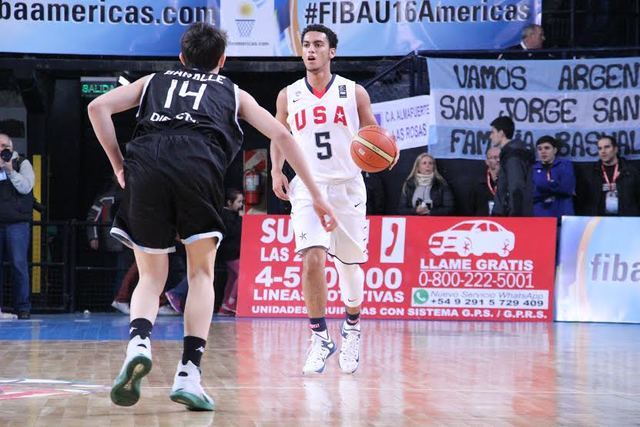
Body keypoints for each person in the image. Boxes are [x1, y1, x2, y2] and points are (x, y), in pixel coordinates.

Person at [88, 22, 336, 411]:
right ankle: (189, 373)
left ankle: (138, 342)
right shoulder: (232, 91)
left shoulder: (155, 79)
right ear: (222, 60)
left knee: (152, 276)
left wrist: (119, 165)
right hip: (198, 165)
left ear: (181, 57)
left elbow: (97, 106)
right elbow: (283, 136)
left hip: (147, 163)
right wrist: (317, 196)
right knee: (201, 273)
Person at [270, 24, 395, 375]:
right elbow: (280, 134)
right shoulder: (288, 95)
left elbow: (373, 133)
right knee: (312, 257)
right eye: (306, 45)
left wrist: (387, 152)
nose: (311, 50)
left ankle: (352, 327)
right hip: (309, 189)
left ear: (332, 51)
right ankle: (319, 336)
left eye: (318, 45)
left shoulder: (353, 93)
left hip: (348, 186)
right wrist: (276, 170)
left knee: (349, 266)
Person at [86, 175, 134, 313]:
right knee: (117, 272)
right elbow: (92, 218)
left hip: (132, 242)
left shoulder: (135, 194)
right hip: (113, 242)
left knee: (128, 272)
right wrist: (93, 237)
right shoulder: (105, 198)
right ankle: (117, 302)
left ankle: (125, 301)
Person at [0, 133, 34, 320]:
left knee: (19, 265)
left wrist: (10, 170)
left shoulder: (22, 163)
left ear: (11, 147)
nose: (1, 148)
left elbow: (26, 187)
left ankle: (23, 307)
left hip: (17, 223)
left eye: (4, 145)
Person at [576, 135, 640, 216]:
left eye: (607, 147)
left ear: (615, 149)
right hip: (598, 221)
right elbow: (582, 200)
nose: (603, 151)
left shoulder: (631, 171)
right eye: (600, 148)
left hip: (625, 220)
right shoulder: (589, 172)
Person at [490, 116, 535, 217]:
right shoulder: (511, 153)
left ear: (501, 133)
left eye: (493, 132)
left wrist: (514, 215)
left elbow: (516, 186)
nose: (490, 136)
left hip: (512, 215)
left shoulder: (513, 155)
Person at [532, 136, 575, 218]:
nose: (543, 151)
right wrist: (554, 185)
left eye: (547, 148)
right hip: (540, 216)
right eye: (539, 149)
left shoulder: (565, 165)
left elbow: (567, 188)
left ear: (555, 150)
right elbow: (532, 194)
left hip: (562, 215)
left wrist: (543, 186)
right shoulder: (533, 168)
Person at [217, 189, 243, 316]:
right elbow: (231, 232)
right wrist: (241, 220)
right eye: (239, 202)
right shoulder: (226, 216)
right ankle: (231, 303)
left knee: (232, 278)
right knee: (243, 274)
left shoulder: (233, 216)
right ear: (229, 202)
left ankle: (224, 306)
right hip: (229, 252)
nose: (241, 205)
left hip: (232, 252)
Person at [471, 147, 501, 216]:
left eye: (500, 157)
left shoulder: (511, 182)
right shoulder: (478, 184)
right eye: (494, 157)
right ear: (487, 161)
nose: (498, 160)